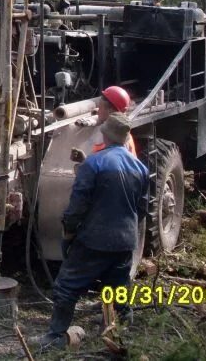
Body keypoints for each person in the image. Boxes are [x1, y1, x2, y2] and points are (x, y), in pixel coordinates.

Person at [39, 113, 149, 350]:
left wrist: (68, 233)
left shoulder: (93, 164)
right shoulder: (140, 167)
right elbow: (142, 208)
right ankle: (120, 332)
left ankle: (56, 336)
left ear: (105, 135)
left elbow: (77, 207)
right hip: (125, 240)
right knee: (118, 288)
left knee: (67, 287)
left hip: (94, 240)